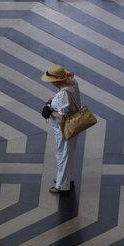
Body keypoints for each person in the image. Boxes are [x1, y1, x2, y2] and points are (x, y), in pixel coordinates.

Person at [41, 64, 81, 194]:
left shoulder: (64, 94)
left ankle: (62, 186)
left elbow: (63, 116)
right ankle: (64, 179)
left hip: (64, 129)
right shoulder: (72, 83)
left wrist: (49, 111)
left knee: (63, 155)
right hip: (70, 127)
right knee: (65, 154)